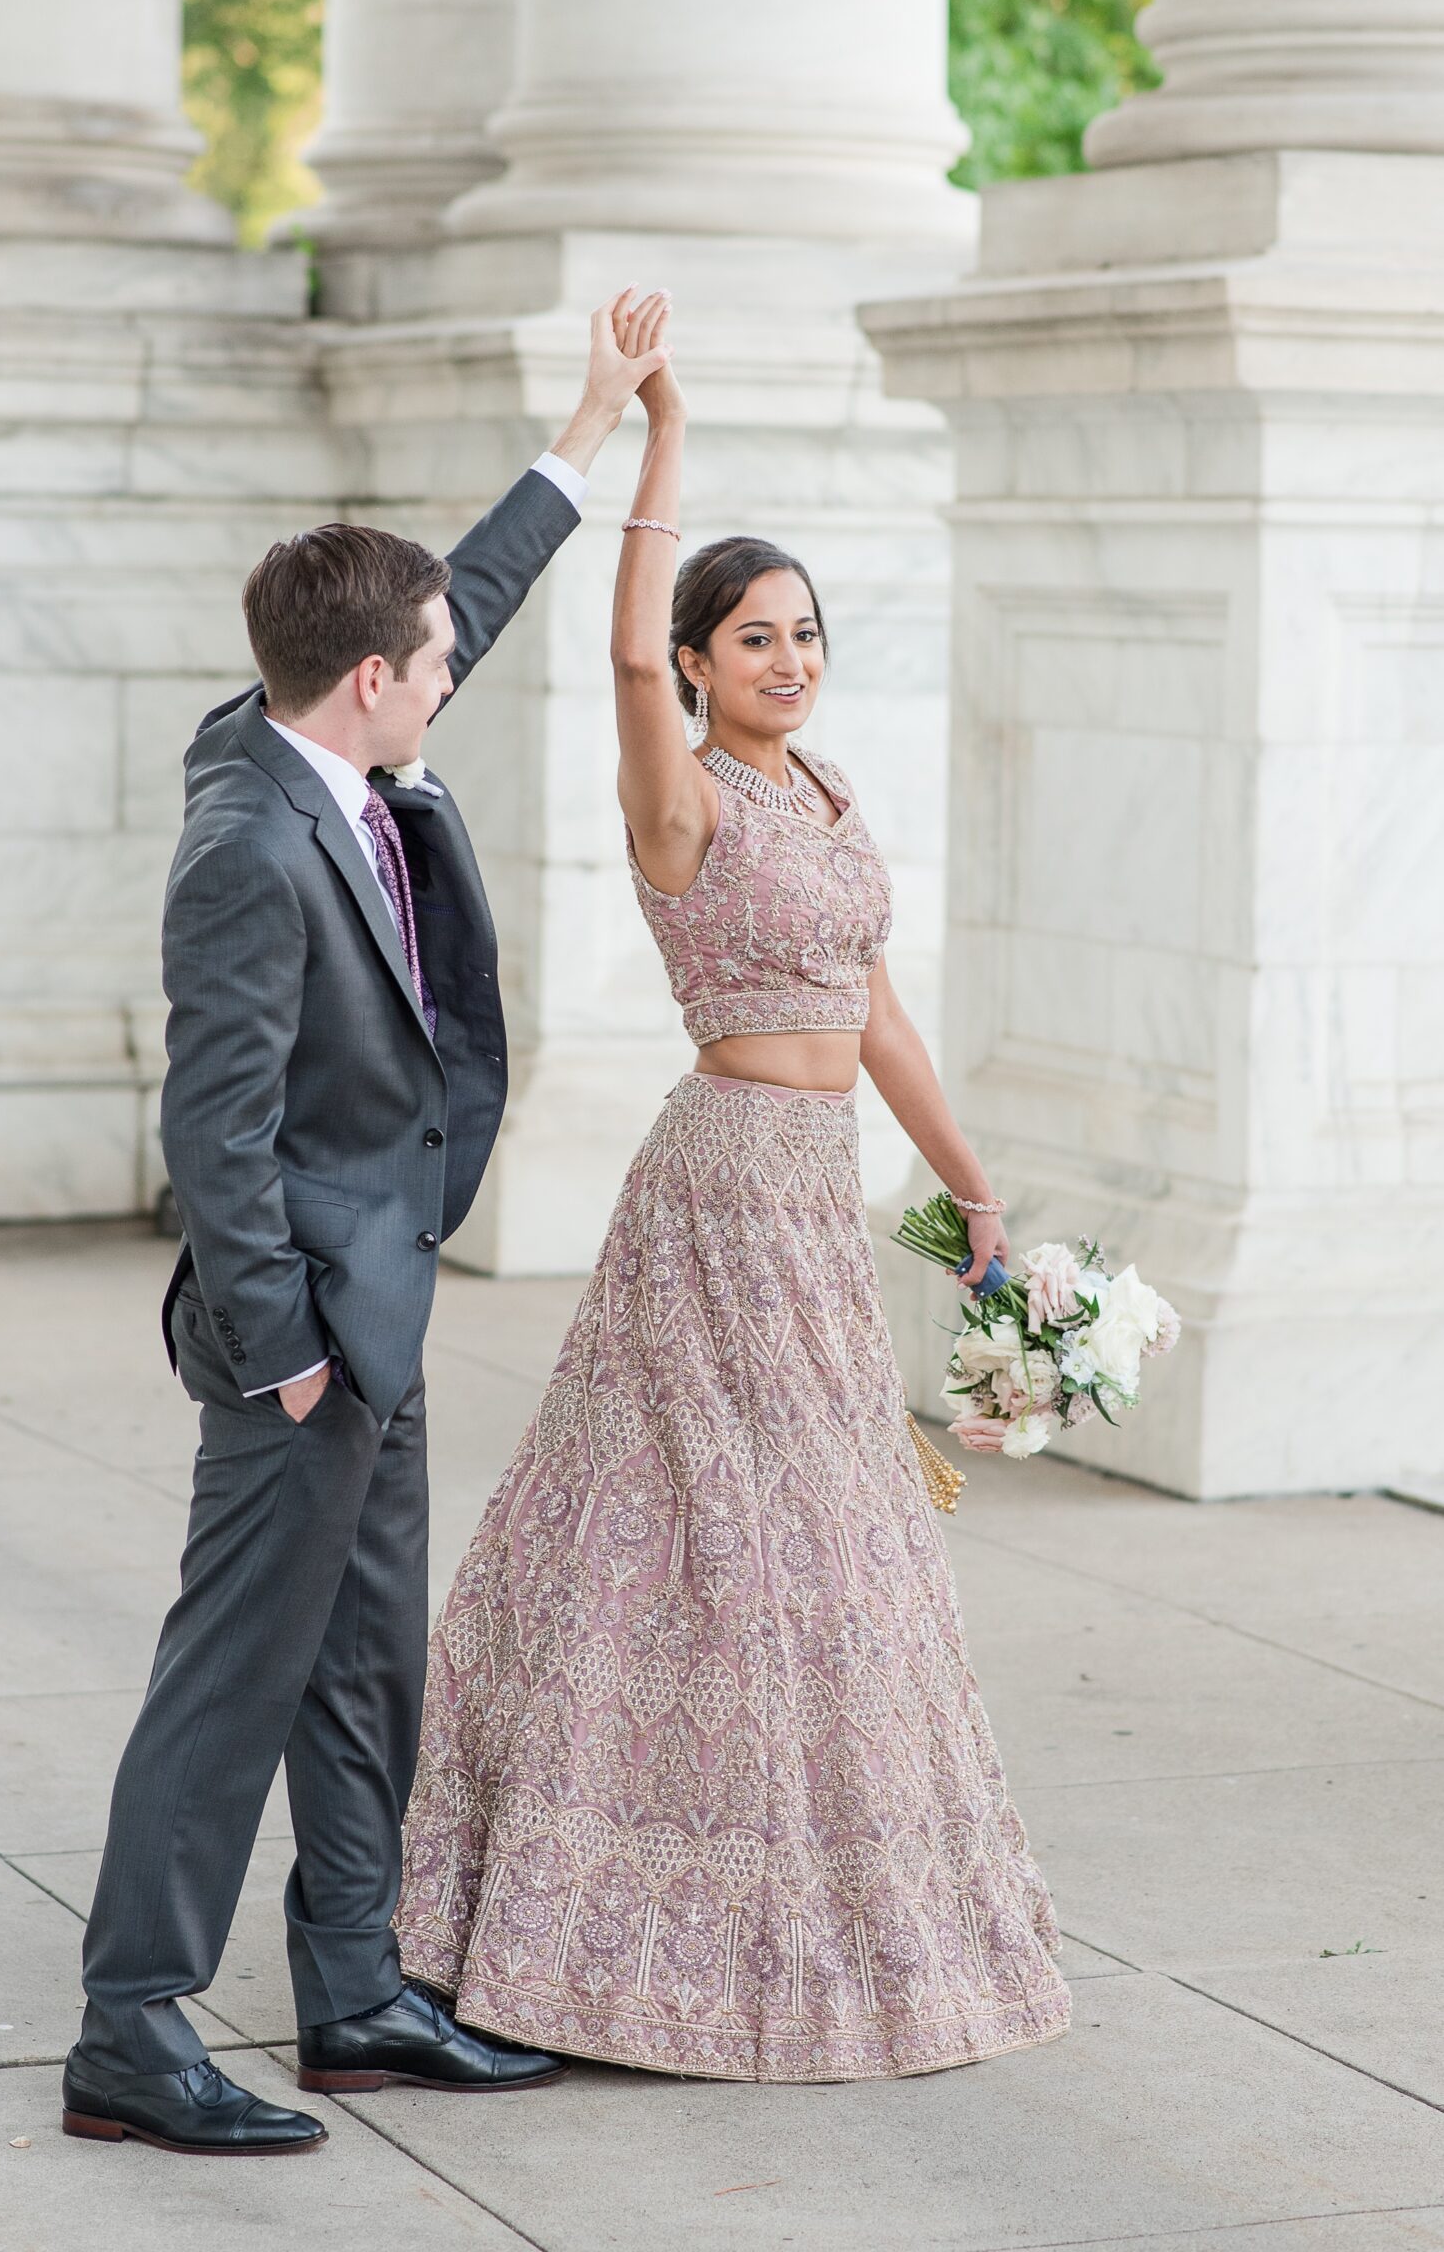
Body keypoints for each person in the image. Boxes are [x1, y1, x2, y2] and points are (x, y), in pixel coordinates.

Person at [394, 294, 1072, 2082]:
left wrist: (973, 1189)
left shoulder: (831, 796)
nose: (785, 659)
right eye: (750, 638)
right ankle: (587, 1923)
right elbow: (617, 664)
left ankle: (844, 1917)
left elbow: (878, 1011)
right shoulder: (678, 799)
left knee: (835, 1548)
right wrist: (650, 435)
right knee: (684, 1539)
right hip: (711, 1196)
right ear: (696, 662)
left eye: (803, 636)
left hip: (817, 1199)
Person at [63, 294, 675, 2156]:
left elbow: (455, 598)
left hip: (378, 1306)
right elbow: (216, 1131)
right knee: (232, 1674)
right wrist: (294, 1349)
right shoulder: (251, 845)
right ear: (364, 686)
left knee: (364, 1666)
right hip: (305, 1340)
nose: (447, 677)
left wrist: (584, 431)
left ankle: (355, 1994)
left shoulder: (321, 734)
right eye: (429, 666)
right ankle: (128, 2029)